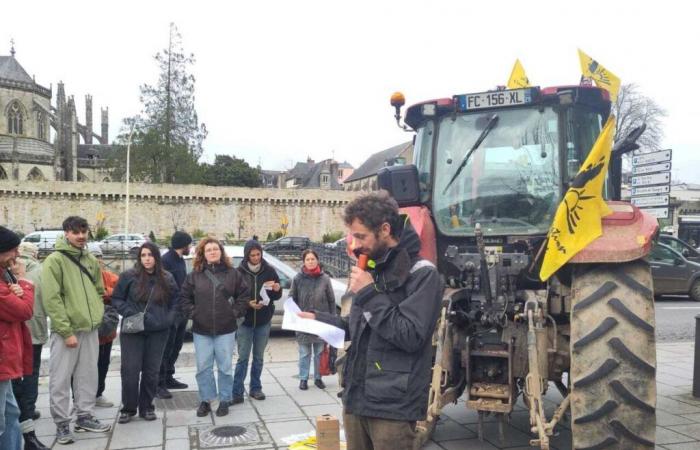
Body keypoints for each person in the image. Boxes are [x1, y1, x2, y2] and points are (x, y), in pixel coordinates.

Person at [299, 192, 442, 450]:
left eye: (361, 236)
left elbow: (409, 335)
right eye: (353, 236)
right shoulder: (371, 269)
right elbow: (356, 327)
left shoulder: (423, 275)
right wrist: (318, 321)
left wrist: (368, 292)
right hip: (356, 398)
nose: (354, 245)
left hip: (392, 407)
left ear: (385, 230)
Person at [42, 216, 111, 445]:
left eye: (84, 232)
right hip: (67, 331)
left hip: (90, 328)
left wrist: (96, 314)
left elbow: (99, 290)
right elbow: (51, 300)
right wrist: (65, 330)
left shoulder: (90, 259)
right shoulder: (54, 261)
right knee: (60, 379)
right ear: (66, 233)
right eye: (75, 232)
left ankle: (84, 416)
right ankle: (62, 424)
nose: (81, 236)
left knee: (87, 376)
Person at [180, 238, 249, 417]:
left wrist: (234, 312)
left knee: (225, 367)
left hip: (225, 329)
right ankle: (207, 399)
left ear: (221, 252)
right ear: (203, 253)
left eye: (215, 249)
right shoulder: (194, 275)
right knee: (203, 367)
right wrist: (194, 313)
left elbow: (243, 295)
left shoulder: (232, 274)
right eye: (208, 250)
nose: (212, 252)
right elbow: (184, 298)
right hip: (201, 329)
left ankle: (225, 399)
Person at [112, 243, 178, 423]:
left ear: (156, 257)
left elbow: (175, 302)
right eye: (143, 255)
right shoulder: (128, 276)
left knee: (151, 371)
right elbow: (116, 299)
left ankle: (147, 406)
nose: (147, 259)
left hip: (158, 330)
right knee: (130, 370)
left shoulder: (167, 278)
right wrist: (130, 313)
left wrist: (168, 318)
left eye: (150, 255)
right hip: (134, 328)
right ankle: (128, 408)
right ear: (139, 258)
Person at [232, 240, 282, 404]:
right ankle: (237, 391)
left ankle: (256, 388)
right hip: (245, 321)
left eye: (258, 254)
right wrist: (247, 304)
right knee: (243, 358)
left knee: (259, 357)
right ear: (247, 256)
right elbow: (233, 297)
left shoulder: (269, 271)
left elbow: (276, 295)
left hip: (263, 320)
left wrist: (277, 289)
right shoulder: (238, 272)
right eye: (252, 255)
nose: (255, 258)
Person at [10, 243, 50, 450]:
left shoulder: (9, 272)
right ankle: (28, 411)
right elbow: (33, 306)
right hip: (32, 332)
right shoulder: (40, 271)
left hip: (15, 336)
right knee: (30, 374)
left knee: (15, 381)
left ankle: (24, 419)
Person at [0, 226, 34, 450]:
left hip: (6, 360)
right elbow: (24, 311)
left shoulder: (4, 277)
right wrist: (24, 282)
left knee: (11, 413)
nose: (17, 255)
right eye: (13, 250)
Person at [290, 249, 336, 391]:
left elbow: (331, 300)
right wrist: (295, 314)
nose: (310, 261)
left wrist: (332, 320)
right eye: (307, 259)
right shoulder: (297, 279)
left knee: (319, 352)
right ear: (304, 262)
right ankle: (303, 379)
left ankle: (318, 377)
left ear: (317, 260)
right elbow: (291, 298)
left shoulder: (325, 279)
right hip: (303, 322)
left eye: (312, 259)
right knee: (304, 352)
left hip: (320, 320)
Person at [157, 231, 192, 400]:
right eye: (189, 244)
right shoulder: (166, 261)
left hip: (181, 311)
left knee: (176, 346)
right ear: (183, 245)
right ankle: (159, 383)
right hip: (170, 311)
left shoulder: (179, 260)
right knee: (166, 347)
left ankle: (169, 376)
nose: (190, 248)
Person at [92, 248, 119, 408]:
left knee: (103, 363)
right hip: (87, 328)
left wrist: (105, 292)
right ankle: (79, 396)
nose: (96, 260)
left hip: (106, 329)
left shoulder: (109, 276)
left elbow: (120, 292)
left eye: (98, 257)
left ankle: (98, 393)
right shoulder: (83, 276)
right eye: (93, 257)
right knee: (83, 365)